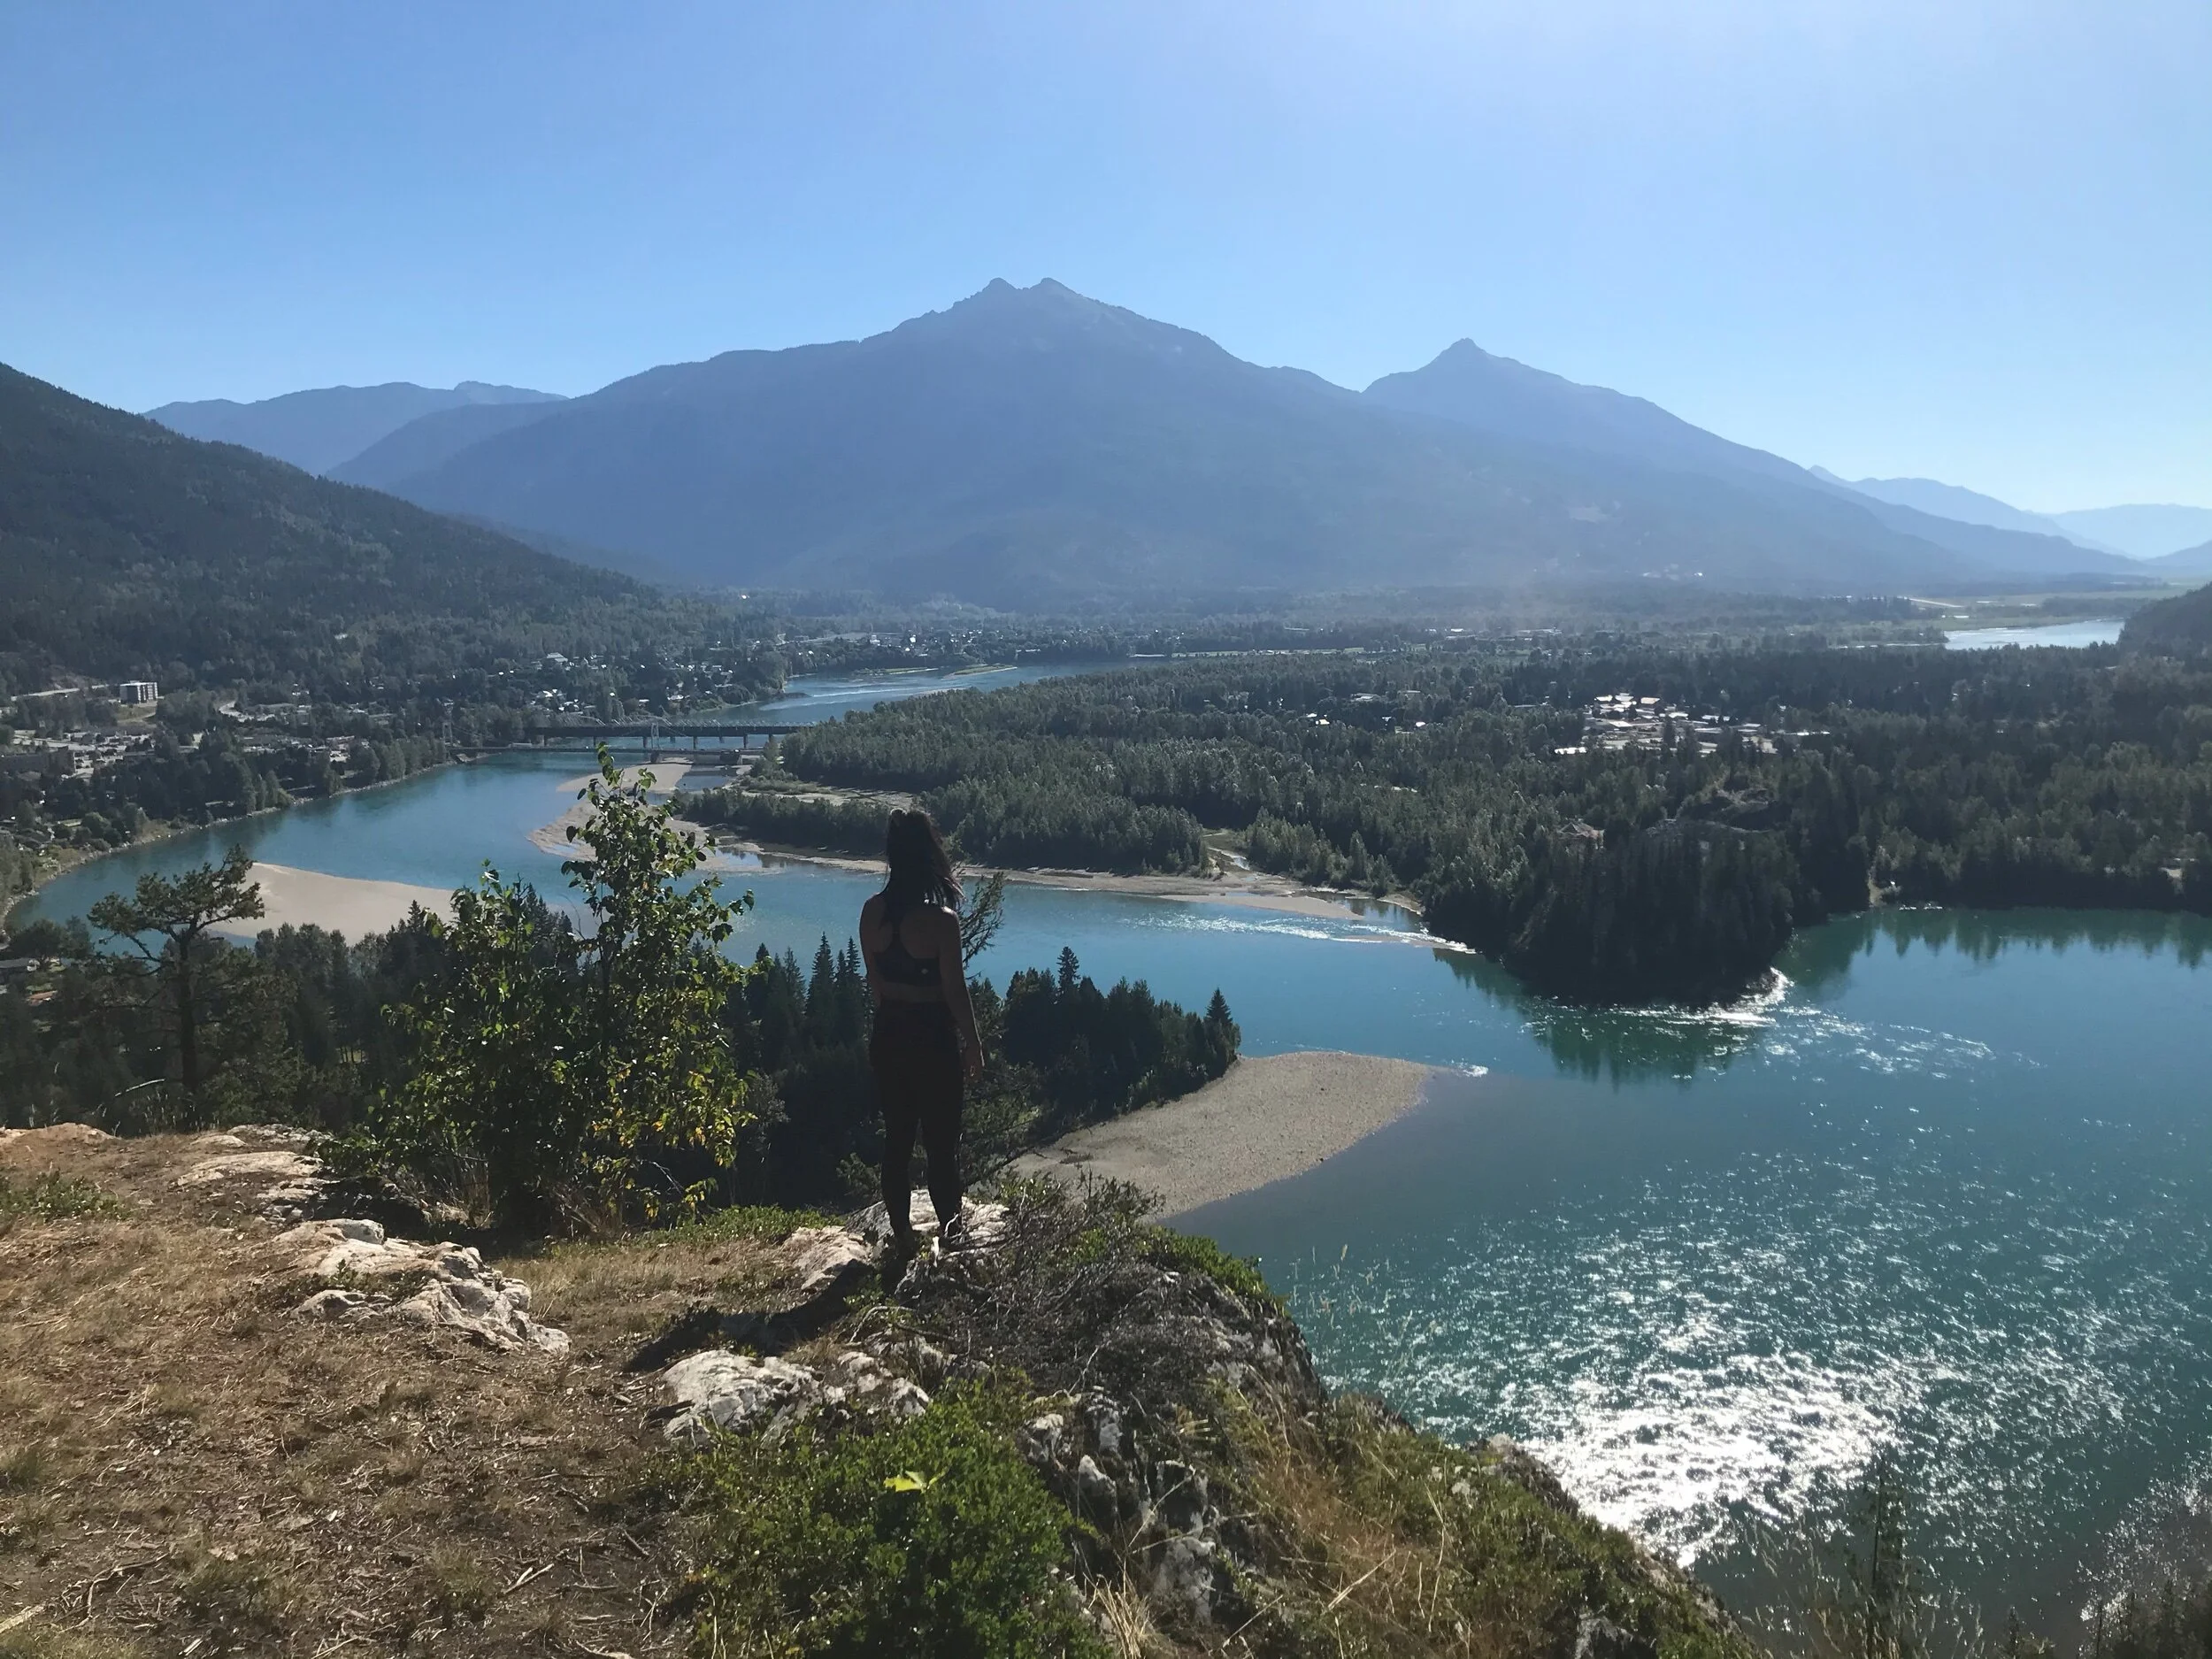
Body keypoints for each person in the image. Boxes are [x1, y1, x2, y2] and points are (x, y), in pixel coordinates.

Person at [859, 809, 983, 1256]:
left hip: (889, 1034)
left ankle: (903, 1238)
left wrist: (895, 1013)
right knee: (941, 1144)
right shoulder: (941, 921)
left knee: (897, 1139)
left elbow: (876, 987)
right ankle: (951, 1236)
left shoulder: (871, 913)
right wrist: (972, 1043)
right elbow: (954, 990)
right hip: (932, 1040)